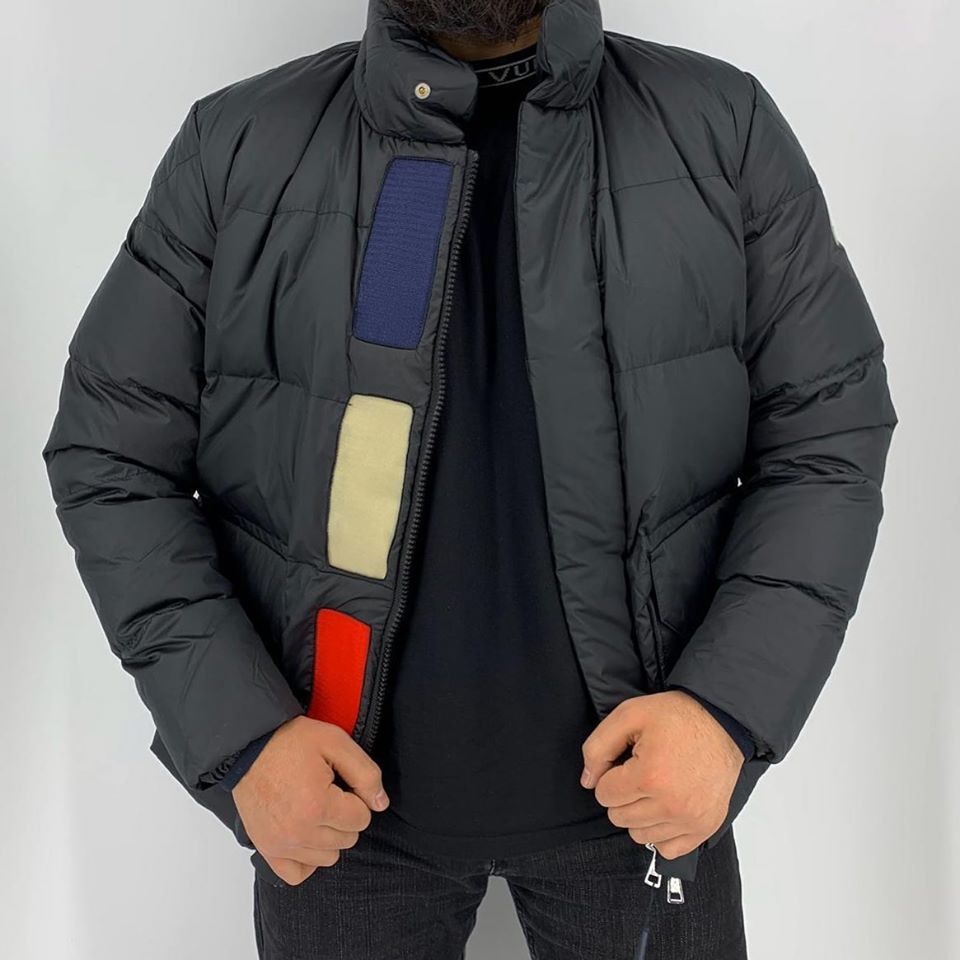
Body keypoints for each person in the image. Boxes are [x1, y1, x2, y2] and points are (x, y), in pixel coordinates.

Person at [42, 1, 897, 957]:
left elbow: (827, 433)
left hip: (649, 797)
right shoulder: (238, 145)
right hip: (335, 812)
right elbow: (111, 456)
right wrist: (241, 739)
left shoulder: (720, 128)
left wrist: (727, 710)